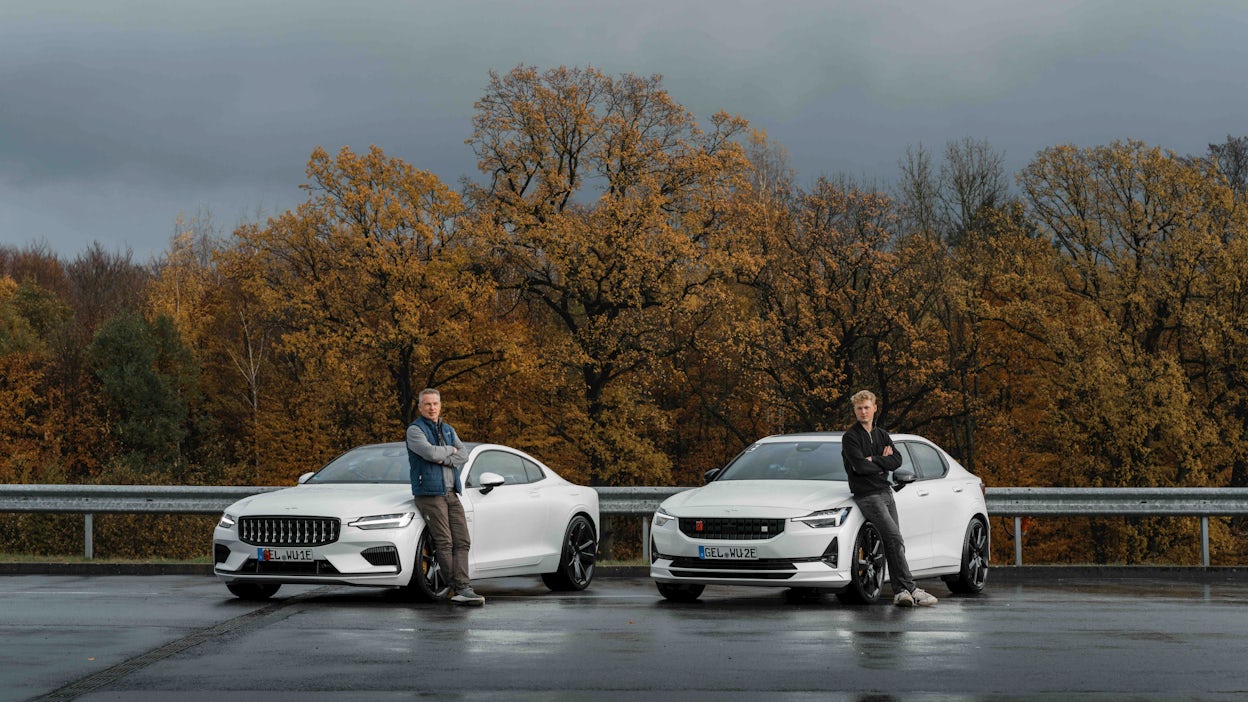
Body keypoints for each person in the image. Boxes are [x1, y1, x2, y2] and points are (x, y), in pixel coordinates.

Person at [841, 389, 938, 607]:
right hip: (868, 496)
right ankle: (910, 588)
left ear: (875, 408)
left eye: (867, 407)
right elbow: (859, 466)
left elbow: (896, 460)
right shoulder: (850, 437)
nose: (863, 412)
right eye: (859, 408)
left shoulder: (882, 435)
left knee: (892, 542)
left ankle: (901, 592)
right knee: (895, 539)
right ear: (855, 411)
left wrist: (873, 460)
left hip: (886, 493)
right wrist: (878, 463)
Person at [407, 387, 484, 606]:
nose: (432, 408)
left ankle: (463, 586)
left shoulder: (448, 429)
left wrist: (446, 456)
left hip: (451, 493)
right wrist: (451, 451)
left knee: (462, 541)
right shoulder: (415, 430)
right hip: (430, 494)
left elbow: (464, 455)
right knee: (445, 541)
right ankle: (458, 588)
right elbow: (430, 453)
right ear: (420, 406)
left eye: (435, 404)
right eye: (427, 404)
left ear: (440, 406)